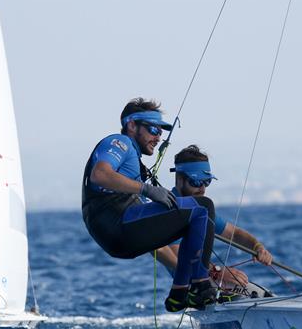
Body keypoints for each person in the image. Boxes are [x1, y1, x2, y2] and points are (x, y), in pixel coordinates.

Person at [82, 98, 218, 312]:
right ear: (132, 125)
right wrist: (146, 189)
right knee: (202, 207)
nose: (158, 137)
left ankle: (180, 294)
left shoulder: (134, 158)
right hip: (117, 225)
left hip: (117, 234)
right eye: (153, 129)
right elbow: (99, 174)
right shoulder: (120, 142)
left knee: (197, 215)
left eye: (161, 131)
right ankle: (197, 285)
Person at [155, 145, 274, 295]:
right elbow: (178, 256)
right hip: (190, 286)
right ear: (179, 179)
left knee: (263, 294)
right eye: (196, 182)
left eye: (206, 182)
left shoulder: (198, 207)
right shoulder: (169, 210)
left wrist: (257, 247)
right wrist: (217, 272)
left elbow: (234, 234)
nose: (202, 189)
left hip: (204, 279)